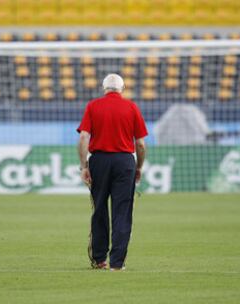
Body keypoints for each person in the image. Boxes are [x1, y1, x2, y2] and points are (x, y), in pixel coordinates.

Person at [77, 73, 148, 271]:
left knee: (99, 209)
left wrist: (84, 166)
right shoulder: (132, 107)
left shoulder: (93, 106)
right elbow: (140, 144)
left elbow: (84, 138)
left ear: (104, 88)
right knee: (122, 212)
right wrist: (139, 167)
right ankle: (117, 263)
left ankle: (99, 259)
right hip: (124, 162)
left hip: (99, 160)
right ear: (122, 89)